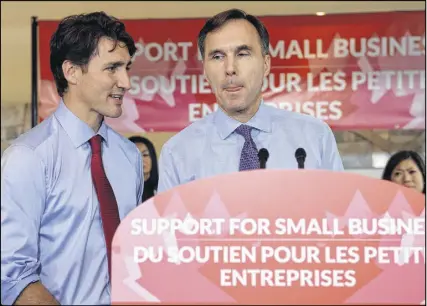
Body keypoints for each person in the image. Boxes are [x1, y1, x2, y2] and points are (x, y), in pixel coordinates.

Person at [1, 12, 143, 305]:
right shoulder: (28, 158)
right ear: (72, 71)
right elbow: (12, 273)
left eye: (126, 67)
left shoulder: (129, 157)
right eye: (112, 68)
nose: (126, 81)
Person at [157, 8, 343, 193]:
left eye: (242, 54)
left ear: (266, 64)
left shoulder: (314, 137)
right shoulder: (178, 153)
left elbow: (340, 215)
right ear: (205, 70)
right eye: (217, 57)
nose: (230, 68)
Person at [129, 136, 159, 202]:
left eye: (145, 155)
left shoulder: (163, 188)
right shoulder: (119, 191)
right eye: (135, 156)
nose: (141, 160)